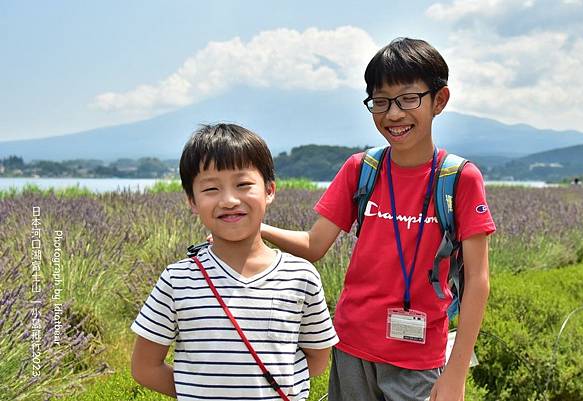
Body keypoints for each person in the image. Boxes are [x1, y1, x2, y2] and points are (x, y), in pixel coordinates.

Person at [260, 38, 496, 401]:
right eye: (381, 101)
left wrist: (456, 375)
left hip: (418, 358)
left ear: (440, 100)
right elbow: (314, 245)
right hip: (351, 347)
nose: (394, 114)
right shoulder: (361, 170)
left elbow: (478, 281)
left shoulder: (459, 179)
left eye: (408, 99)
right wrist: (254, 228)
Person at [130, 123, 338, 401]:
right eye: (211, 189)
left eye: (243, 185)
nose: (229, 200)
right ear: (192, 201)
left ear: (269, 190)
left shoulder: (301, 276)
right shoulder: (176, 280)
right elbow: (145, 368)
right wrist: (198, 390)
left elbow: (318, 359)